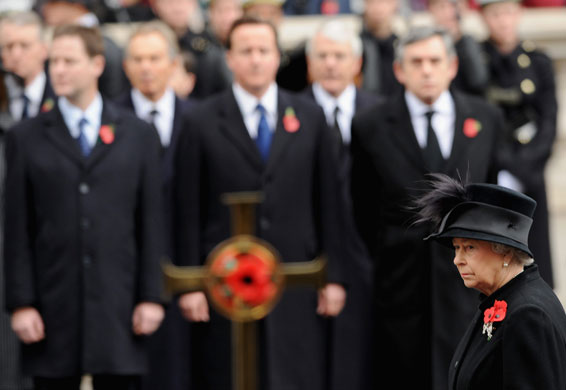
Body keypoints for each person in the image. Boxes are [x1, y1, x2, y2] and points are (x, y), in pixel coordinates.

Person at [174, 15, 347, 390]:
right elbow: (187, 206)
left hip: (296, 279)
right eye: (246, 51)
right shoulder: (200, 121)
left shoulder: (310, 117)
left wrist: (333, 277)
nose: (255, 59)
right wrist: (190, 283)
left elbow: (329, 204)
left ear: (277, 57)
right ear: (230, 58)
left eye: (263, 50)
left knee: (293, 375)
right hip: (224, 282)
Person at [4, 24, 165, 390]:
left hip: (120, 304)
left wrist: (151, 296)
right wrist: (21, 302)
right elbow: (17, 227)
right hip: (52, 303)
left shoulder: (137, 134)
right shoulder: (26, 137)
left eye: (69, 61)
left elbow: (151, 222)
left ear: (96, 65)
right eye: (54, 61)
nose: (58, 70)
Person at [350, 26, 503, 390]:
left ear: (452, 66)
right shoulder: (370, 125)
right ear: (399, 70)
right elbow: (362, 205)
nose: (427, 70)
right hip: (399, 290)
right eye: (416, 62)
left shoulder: (485, 118)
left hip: (470, 290)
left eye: (435, 60)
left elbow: (494, 199)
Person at [414, 174, 566, 389]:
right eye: (457, 248)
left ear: (504, 252)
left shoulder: (528, 315)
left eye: (469, 248)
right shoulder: (501, 297)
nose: (457, 260)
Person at [117, 20, 195, 390]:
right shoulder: (107, 122)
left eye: (154, 58)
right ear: (125, 66)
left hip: (187, 274)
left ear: (173, 63)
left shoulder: (200, 119)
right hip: (125, 280)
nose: (146, 67)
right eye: (137, 59)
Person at [303, 19, 379, 390]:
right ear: (309, 64)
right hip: (308, 260)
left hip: (371, 259)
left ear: (357, 63)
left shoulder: (382, 114)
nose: (331, 64)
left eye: (339, 56)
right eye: (323, 56)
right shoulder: (292, 113)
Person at [480, 0, 556, 288]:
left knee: (535, 262)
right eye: (496, 13)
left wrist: (525, 165)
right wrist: (503, 163)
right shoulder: (476, 59)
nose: (503, 20)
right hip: (493, 171)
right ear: (485, 17)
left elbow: (548, 119)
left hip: (530, 171)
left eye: (509, 12)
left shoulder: (537, 61)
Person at [34, 0, 130, 100]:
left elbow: (114, 94)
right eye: (54, 61)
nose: (45, 10)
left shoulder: (107, 46)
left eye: (53, 4)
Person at [150, 0, 231, 98]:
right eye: (169, 2)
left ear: (194, 4)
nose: (177, 8)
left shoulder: (207, 47)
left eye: (183, 1)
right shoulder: (144, 45)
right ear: (155, 6)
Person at [0, 10, 56, 124]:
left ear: (44, 50)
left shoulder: (61, 94)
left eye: (25, 46)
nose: (16, 55)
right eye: (9, 46)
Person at [427, 0, 488, 95]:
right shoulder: (425, 46)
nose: (448, 13)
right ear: (431, 9)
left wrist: (459, 38)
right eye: (442, 7)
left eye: (454, 6)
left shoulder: (472, 42)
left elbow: (479, 82)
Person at [359, 0, 403, 97]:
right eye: (372, 2)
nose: (378, 8)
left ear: (395, 4)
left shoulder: (401, 45)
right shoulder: (356, 46)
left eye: (384, 1)